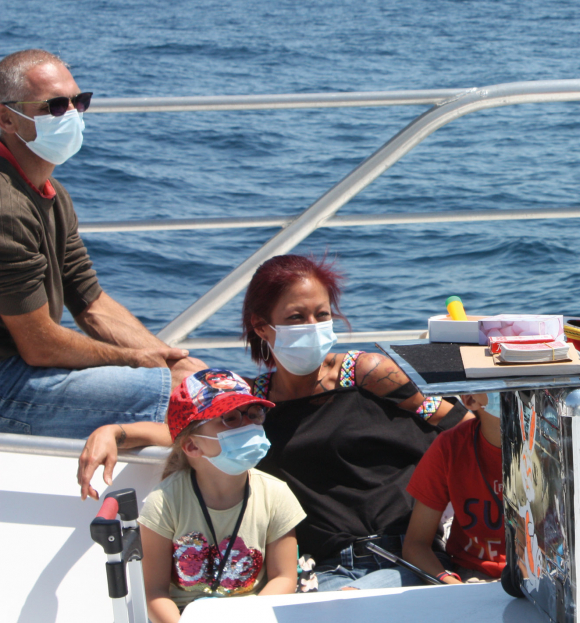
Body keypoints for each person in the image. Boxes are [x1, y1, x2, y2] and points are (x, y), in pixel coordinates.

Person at [78, 254, 467, 591]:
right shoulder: (254, 401)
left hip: (403, 556)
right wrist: (114, 431)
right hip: (318, 570)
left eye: (322, 315)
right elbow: (189, 435)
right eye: (296, 317)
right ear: (263, 327)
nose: (312, 326)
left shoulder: (366, 373)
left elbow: (459, 425)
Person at [0, 49, 203, 439]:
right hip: (9, 381)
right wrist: (139, 363)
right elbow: (39, 345)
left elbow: (90, 301)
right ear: (7, 118)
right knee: (174, 399)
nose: (72, 114)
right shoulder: (7, 208)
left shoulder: (52, 195)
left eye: (80, 102)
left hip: (21, 368)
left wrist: (173, 360)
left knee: (196, 386)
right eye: (55, 106)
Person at [139, 369, 303, 622]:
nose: (247, 424)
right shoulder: (164, 501)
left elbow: (284, 578)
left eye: (253, 414)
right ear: (193, 445)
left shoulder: (276, 494)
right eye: (230, 418)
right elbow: (155, 592)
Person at [403, 391, 505, 584]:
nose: (517, 390)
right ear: (470, 399)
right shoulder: (449, 446)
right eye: (499, 383)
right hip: (472, 576)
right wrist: (452, 584)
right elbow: (416, 544)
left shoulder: (557, 444)